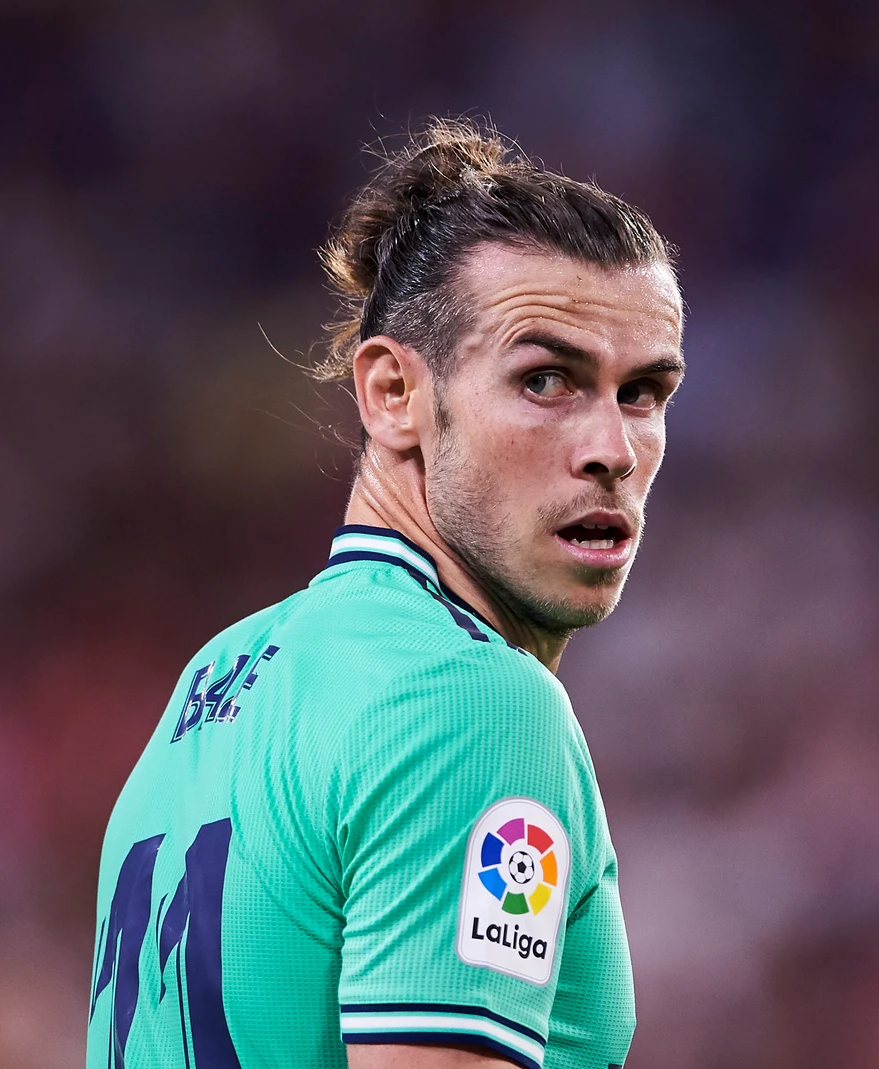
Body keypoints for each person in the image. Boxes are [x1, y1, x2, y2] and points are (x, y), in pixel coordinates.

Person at [86, 117, 683, 1069]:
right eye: (546, 380)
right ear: (393, 394)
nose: (611, 447)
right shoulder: (472, 700)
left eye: (644, 393)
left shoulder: (215, 683)